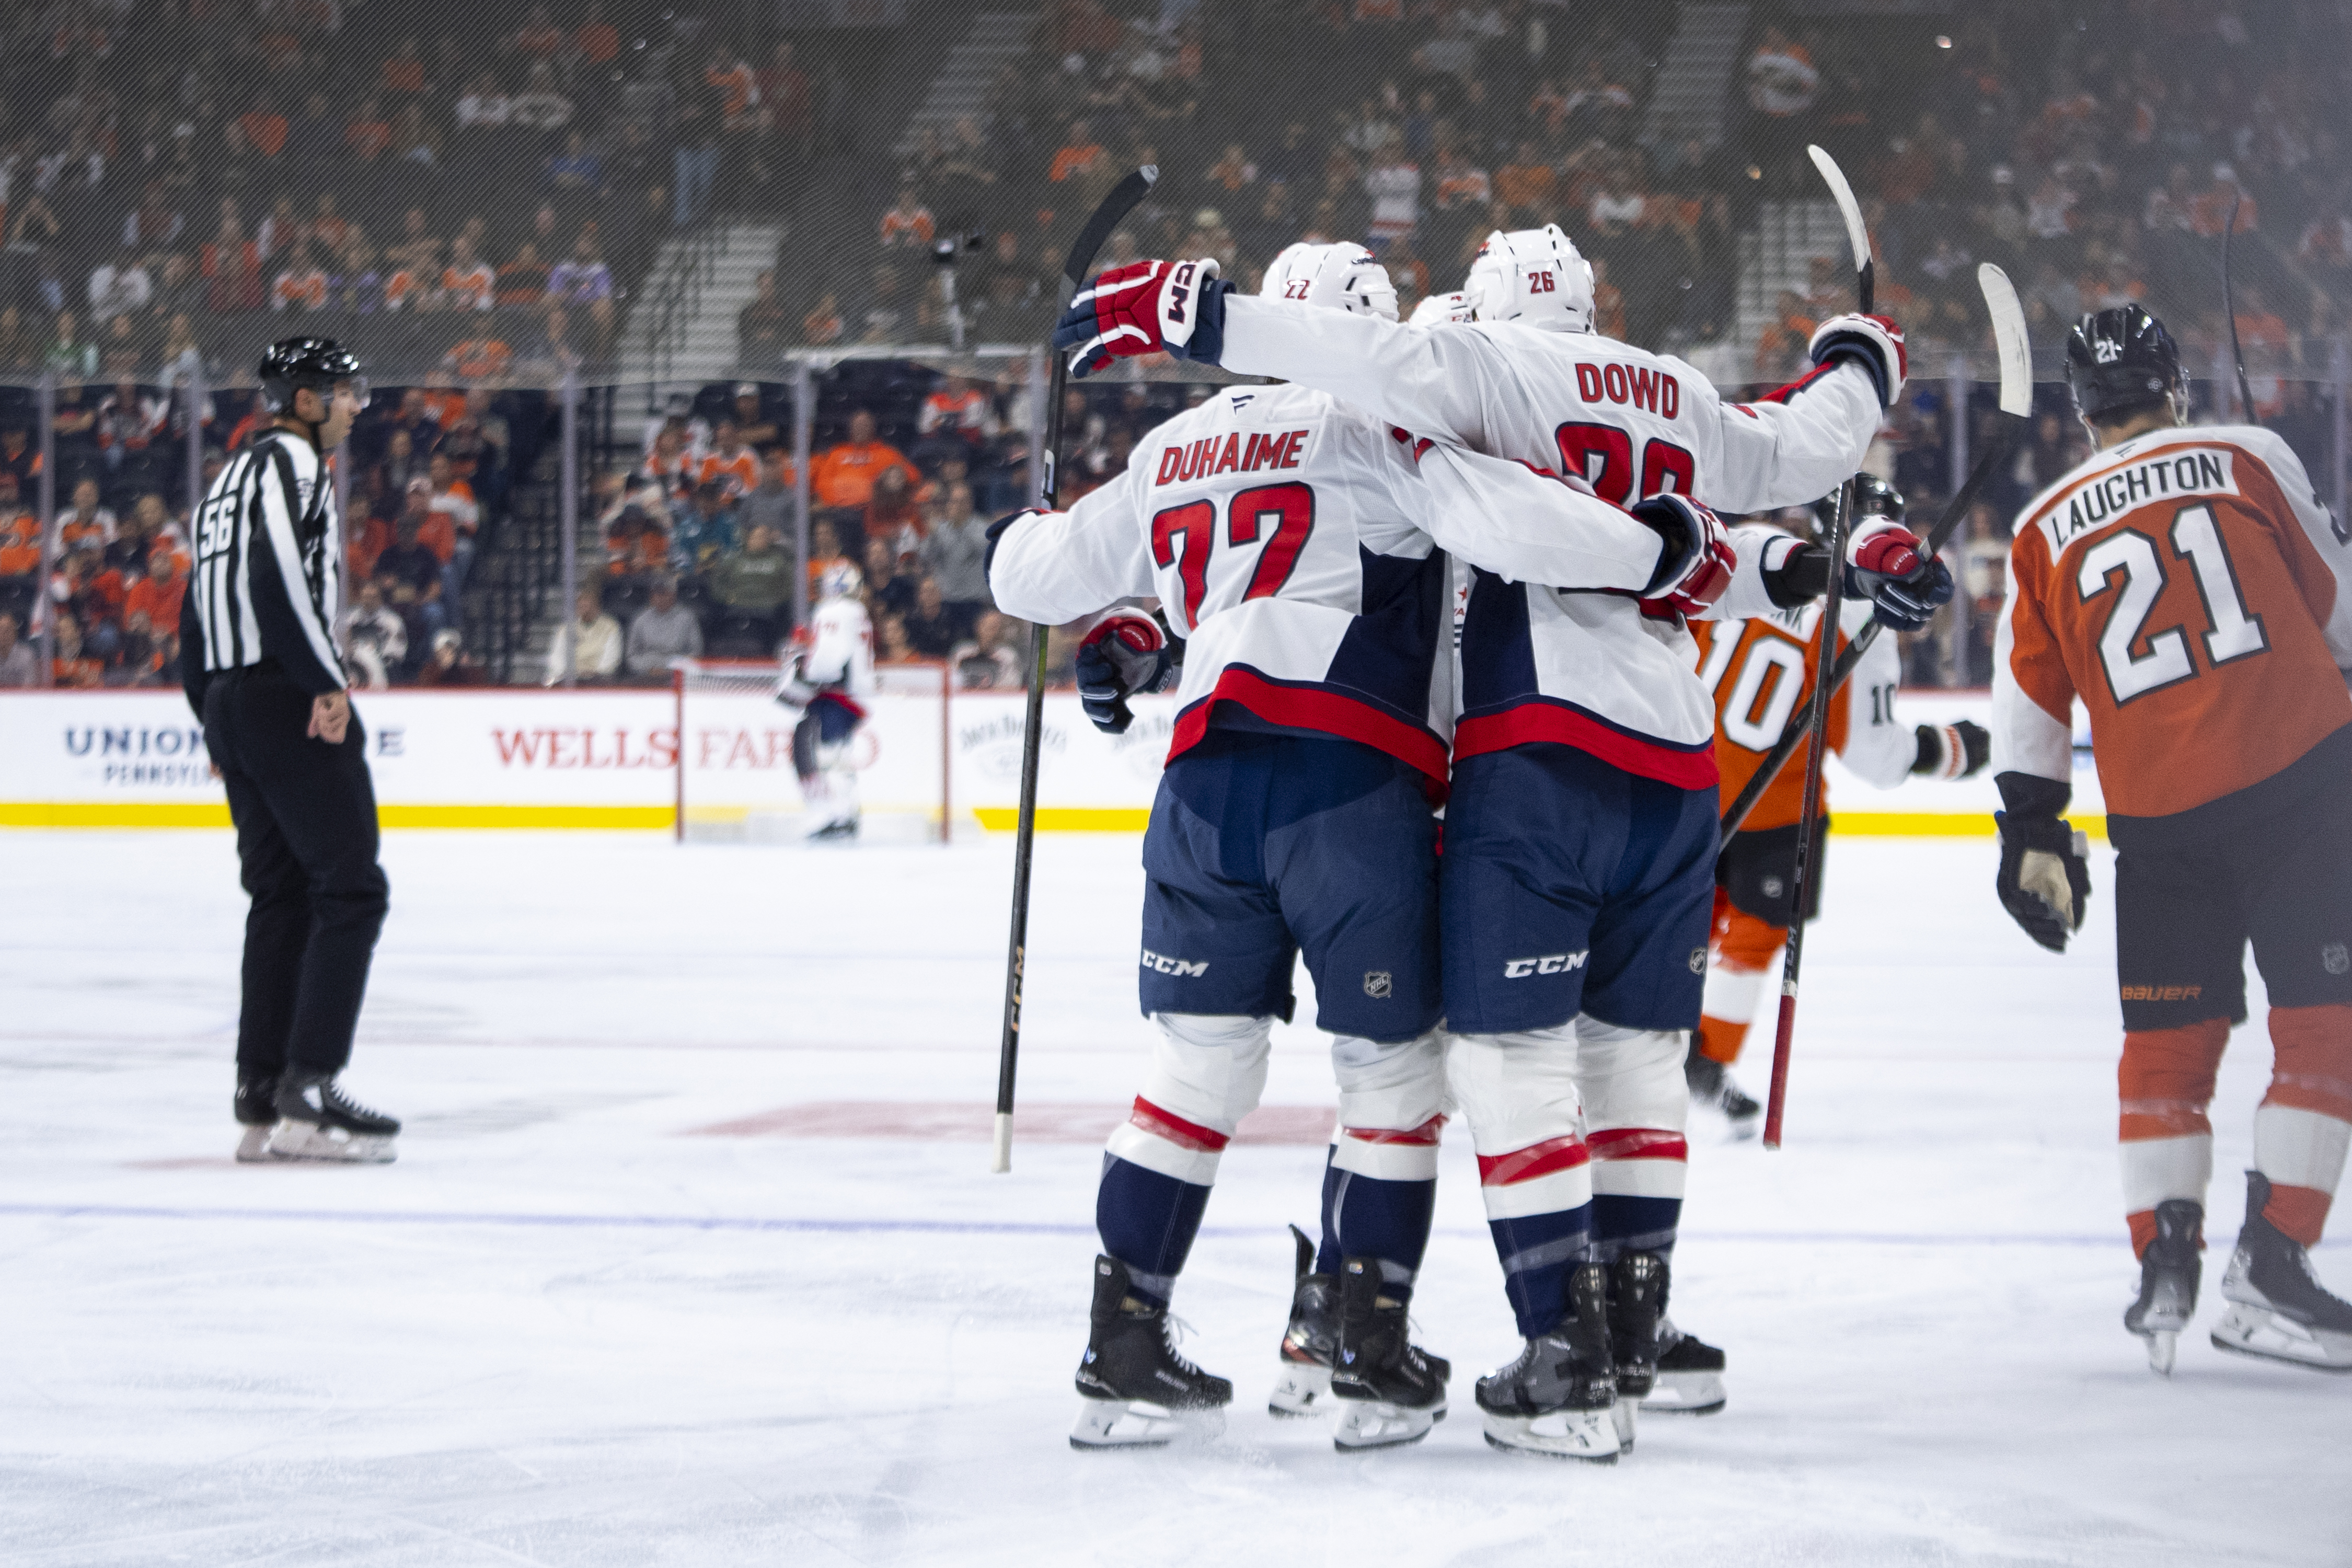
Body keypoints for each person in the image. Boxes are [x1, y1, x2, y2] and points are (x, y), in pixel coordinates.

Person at [1055, 227, 1937, 1453]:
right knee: (1599, 1064)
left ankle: (1397, 1340)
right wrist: (1847, 392)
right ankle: (1606, 1336)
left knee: (1421, 1063)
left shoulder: (1437, 380)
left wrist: (1199, 325)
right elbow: (1792, 451)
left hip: (1462, 759)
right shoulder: (1669, 390)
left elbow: (1061, 567)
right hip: (1655, 760)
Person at [1988, 305, 2352, 1376]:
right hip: (2298, 793)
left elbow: (2029, 706)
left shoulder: (2043, 526)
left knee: (2166, 1051)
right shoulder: (2247, 454)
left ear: (2082, 406)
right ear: (2173, 382)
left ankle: (2164, 1264)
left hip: (2158, 821)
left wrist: (2030, 831)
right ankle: (2272, 1266)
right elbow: (2340, 609)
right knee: (2326, 1031)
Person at [1687, 477, 1992, 1140]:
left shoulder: (1749, 555)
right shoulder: (1861, 619)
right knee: (1752, 937)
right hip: (1774, 812)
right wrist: (1956, 750)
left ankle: (1629, 1056)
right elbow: (1876, 757)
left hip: (1683, 786)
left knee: (1675, 930)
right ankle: (1702, 1064)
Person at [180, 337, 399, 1163]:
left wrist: (210, 712)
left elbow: (199, 606)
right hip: (284, 692)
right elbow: (277, 580)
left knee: (279, 894)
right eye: (345, 393)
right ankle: (311, 1084)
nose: (354, 406)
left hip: (236, 700)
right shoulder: (294, 469)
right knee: (351, 889)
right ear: (305, 401)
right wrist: (326, 684)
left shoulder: (225, 483)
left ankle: (259, 1090)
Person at [774, 560, 873, 841]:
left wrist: (807, 673)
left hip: (835, 694)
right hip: (854, 694)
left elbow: (827, 659)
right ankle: (847, 814)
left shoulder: (834, 610)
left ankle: (839, 816)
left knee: (831, 757)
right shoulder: (858, 611)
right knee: (838, 755)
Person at [627, 576, 702, 679]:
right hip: (646, 675)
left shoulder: (687, 618)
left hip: (678, 674)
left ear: (673, 595)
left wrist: (673, 670)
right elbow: (632, 656)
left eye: (663, 593)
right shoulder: (640, 620)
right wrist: (648, 670)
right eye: (655, 594)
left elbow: (696, 652)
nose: (659, 598)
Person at [546, 585, 622, 685]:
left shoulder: (611, 627)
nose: (585, 610)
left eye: (588, 606)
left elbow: (612, 658)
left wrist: (595, 674)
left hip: (598, 681)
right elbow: (557, 657)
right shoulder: (566, 629)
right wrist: (564, 673)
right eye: (582, 606)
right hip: (570, 680)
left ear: (597, 607)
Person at [0, 610, 36, 686]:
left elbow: (29, 687)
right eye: (0, 630)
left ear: (15, 633)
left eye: (7, 630)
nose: (3, 634)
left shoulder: (26, 655)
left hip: (21, 697)